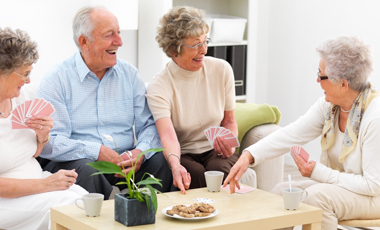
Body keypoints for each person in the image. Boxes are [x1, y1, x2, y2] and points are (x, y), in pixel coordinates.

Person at [223, 36, 380, 229]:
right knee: (281, 192)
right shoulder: (329, 107)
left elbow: (373, 185)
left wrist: (318, 172)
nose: (317, 80)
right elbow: (292, 134)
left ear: (344, 84)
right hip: (344, 188)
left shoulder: (375, 118)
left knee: (317, 198)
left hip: (373, 196)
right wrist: (249, 155)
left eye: (321, 76)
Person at [37, 6, 172, 200]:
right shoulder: (56, 80)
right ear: (84, 42)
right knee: (84, 169)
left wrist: (139, 152)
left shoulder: (130, 75)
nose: (119, 42)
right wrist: (96, 151)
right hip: (80, 161)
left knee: (161, 160)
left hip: (125, 161)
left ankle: (151, 220)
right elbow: (50, 142)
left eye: (118, 33)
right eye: (110, 35)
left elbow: (150, 125)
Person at [0, 27, 88, 230]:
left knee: (84, 198)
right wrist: (45, 186)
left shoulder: (22, 97)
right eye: (25, 73)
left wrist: (42, 136)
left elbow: (31, 153)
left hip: (35, 182)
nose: (29, 80)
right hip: (7, 199)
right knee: (69, 208)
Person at [146, 6, 239, 194]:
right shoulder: (159, 86)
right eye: (195, 44)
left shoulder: (222, 70)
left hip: (216, 150)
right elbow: (168, 136)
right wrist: (174, 164)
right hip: (184, 152)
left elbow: (229, 121)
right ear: (174, 49)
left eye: (205, 42)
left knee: (218, 171)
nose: (204, 50)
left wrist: (229, 144)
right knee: (194, 173)